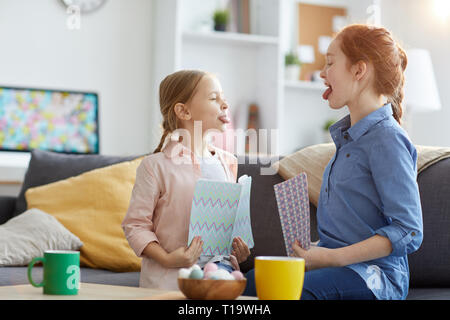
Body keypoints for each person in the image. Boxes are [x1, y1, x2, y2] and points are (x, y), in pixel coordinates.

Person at [243, 24, 423, 300]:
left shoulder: (388, 139)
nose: (323, 74)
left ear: (359, 70)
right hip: (337, 267)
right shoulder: (347, 140)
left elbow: (409, 230)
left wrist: (331, 258)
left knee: (287, 292)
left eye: (329, 63)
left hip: (374, 277)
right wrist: (316, 251)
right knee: (249, 283)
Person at [122, 70, 251, 290]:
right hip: (171, 280)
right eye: (213, 98)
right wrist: (167, 258)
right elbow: (135, 226)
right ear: (184, 111)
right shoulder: (155, 166)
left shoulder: (228, 162)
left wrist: (238, 248)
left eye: (224, 98)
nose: (224, 105)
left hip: (220, 275)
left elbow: (227, 224)